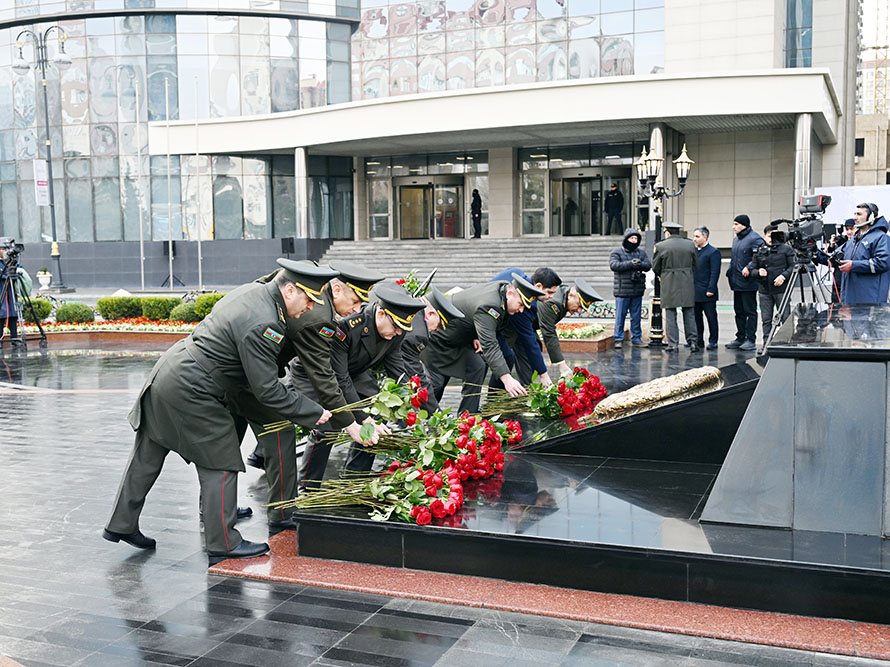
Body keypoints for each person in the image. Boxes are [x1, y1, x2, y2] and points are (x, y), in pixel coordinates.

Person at [103, 260, 337, 565]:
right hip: (194, 388)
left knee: (148, 455)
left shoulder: (255, 293)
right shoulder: (266, 321)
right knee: (221, 461)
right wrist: (311, 412)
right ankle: (223, 541)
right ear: (290, 290)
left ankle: (121, 523)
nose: (309, 309)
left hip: (170, 372)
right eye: (308, 300)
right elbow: (266, 389)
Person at [244, 261, 386, 527]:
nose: (358, 309)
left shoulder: (317, 291)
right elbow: (324, 376)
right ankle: (291, 504)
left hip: (259, 367)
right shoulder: (318, 314)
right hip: (260, 371)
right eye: (355, 301)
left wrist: (359, 418)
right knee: (288, 431)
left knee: (243, 436)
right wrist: (350, 423)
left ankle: (221, 506)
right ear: (337, 289)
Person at [303, 284, 426, 481]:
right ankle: (308, 485)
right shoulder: (349, 327)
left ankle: (353, 477)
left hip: (356, 372)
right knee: (329, 424)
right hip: (321, 374)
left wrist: (411, 407)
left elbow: (396, 368)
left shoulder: (395, 332)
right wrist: (361, 418)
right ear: (380, 314)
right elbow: (340, 379)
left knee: (376, 413)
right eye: (395, 327)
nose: (398, 333)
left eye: (401, 329)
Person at [424, 275, 545, 414]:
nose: (521, 310)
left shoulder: (502, 291)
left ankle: (468, 416)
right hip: (439, 338)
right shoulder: (490, 305)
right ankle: (423, 418)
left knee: (477, 366)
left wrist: (477, 334)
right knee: (437, 383)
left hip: (460, 338)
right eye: (521, 304)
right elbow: (489, 344)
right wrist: (506, 378)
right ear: (510, 294)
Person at [490, 267, 561, 387]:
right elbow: (529, 341)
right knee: (505, 358)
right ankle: (493, 398)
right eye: (549, 292)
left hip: (495, 317)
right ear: (538, 286)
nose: (551, 297)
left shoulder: (516, 273)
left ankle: (524, 386)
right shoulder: (527, 305)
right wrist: (543, 374)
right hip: (489, 322)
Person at [401, 287, 465, 413]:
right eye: (440, 325)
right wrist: (436, 414)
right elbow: (416, 374)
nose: (437, 329)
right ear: (430, 314)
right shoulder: (418, 334)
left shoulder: (409, 304)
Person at [538, 278, 603, 377]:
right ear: (571, 295)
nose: (580, 311)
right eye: (579, 305)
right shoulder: (554, 302)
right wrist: (562, 365)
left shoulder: (564, 298)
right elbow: (549, 332)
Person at [653, 222, 698, 352]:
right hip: (686, 280)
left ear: (667, 232)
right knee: (689, 313)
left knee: (670, 313)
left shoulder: (661, 246)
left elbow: (655, 266)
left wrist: (664, 273)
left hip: (669, 281)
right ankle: (693, 342)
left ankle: (673, 344)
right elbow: (695, 264)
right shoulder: (690, 244)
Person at [748, 224, 795, 346]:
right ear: (764, 236)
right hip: (764, 290)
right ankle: (766, 343)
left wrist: (783, 276)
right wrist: (758, 272)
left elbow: (794, 266)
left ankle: (787, 342)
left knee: (785, 318)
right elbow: (752, 269)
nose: (771, 239)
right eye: (769, 236)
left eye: (774, 235)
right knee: (766, 320)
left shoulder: (786, 249)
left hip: (781, 290)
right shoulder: (759, 250)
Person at [726, 214, 764, 351]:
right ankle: (740, 337)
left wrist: (749, 267)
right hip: (736, 282)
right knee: (739, 311)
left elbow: (759, 256)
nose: (733, 227)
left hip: (748, 283)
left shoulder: (755, 238)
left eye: (736, 224)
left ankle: (750, 339)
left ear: (744, 225)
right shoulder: (736, 240)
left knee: (750, 311)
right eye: (733, 224)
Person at [839, 202, 890, 304]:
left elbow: (883, 262)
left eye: (859, 214)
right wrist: (813, 253)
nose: (855, 218)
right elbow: (834, 258)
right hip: (849, 301)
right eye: (855, 214)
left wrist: (854, 265)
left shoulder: (881, 238)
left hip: (870, 302)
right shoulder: (853, 240)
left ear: (871, 217)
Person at [609, 228, 651, 348]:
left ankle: (636, 338)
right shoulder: (617, 252)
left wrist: (639, 264)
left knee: (636, 316)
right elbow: (614, 265)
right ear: (626, 239)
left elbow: (648, 265)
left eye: (636, 238)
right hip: (622, 291)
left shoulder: (641, 253)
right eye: (632, 238)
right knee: (620, 316)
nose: (634, 241)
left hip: (637, 290)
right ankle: (618, 339)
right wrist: (630, 264)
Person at [692, 226, 720, 350]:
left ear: (705, 237)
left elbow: (715, 272)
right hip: (695, 291)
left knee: (711, 318)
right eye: (694, 236)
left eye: (697, 236)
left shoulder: (713, 252)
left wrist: (711, 289)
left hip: (707, 291)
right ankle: (699, 340)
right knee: (697, 318)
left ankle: (713, 340)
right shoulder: (694, 252)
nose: (694, 239)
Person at [0, 245, 21, 345]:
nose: (5, 251)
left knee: (13, 313)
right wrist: (4, 276)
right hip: (1, 292)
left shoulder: (9, 261)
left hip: (10, 291)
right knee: (1, 315)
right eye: (3, 249)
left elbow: (20, 269)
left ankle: (14, 338)